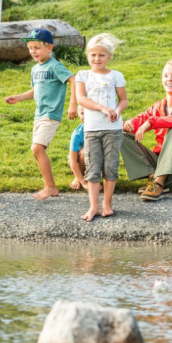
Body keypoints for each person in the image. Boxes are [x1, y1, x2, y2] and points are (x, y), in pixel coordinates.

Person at [3, 28, 76, 200]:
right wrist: (19, 98)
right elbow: (36, 90)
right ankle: (51, 187)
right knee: (36, 151)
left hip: (51, 114)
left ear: (49, 47)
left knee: (38, 148)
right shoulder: (35, 69)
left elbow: (73, 79)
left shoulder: (55, 66)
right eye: (30, 48)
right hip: (39, 115)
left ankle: (50, 187)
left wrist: (72, 104)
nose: (33, 51)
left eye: (36, 47)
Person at [122, 59, 172, 201]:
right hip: (162, 163)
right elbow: (138, 121)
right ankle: (154, 177)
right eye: (166, 76)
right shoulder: (158, 106)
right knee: (122, 135)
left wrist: (152, 121)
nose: (169, 79)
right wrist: (126, 124)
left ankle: (158, 182)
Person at [76, 33, 127, 220]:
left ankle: (107, 204)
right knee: (93, 167)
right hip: (91, 129)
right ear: (87, 55)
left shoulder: (116, 75)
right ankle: (93, 207)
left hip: (113, 130)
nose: (97, 59)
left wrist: (117, 111)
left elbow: (124, 100)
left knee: (111, 167)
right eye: (93, 55)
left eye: (102, 55)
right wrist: (103, 108)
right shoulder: (82, 75)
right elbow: (82, 99)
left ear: (109, 57)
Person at [68, 105, 91, 191]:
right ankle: (79, 177)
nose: (85, 117)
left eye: (88, 113)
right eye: (82, 113)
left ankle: (93, 179)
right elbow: (72, 161)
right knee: (84, 151)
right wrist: (83, 183)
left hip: (95, 160)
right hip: (78, 162)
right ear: (78, 114)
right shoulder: (77, 133)